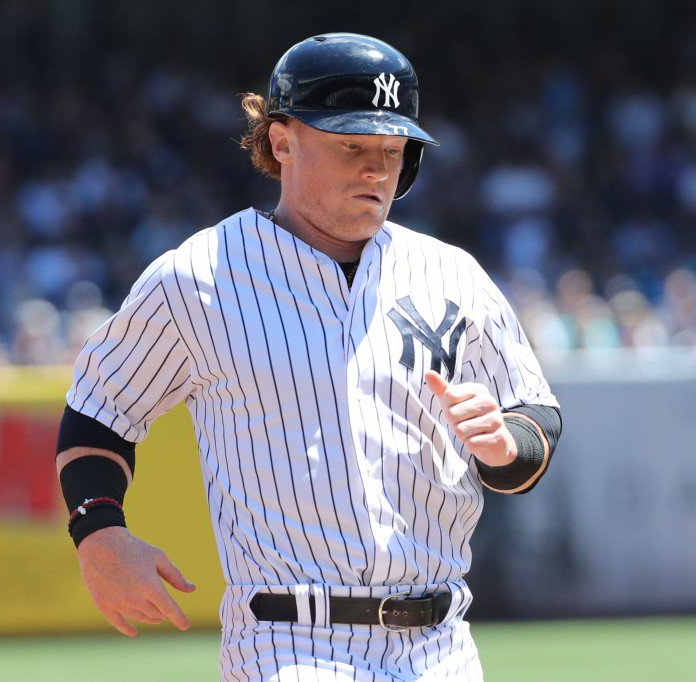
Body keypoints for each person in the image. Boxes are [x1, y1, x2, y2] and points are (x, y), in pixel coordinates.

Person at [56, 33, 563, 680]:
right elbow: (99, 412)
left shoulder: (452, 276)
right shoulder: (197, 279)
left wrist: (505, 444)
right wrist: (98, 530)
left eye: (391, 148)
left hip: (441, 647)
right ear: (281, 141)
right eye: (352, 145)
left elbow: (535, 424)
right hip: (289, 642)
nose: (376, 169)